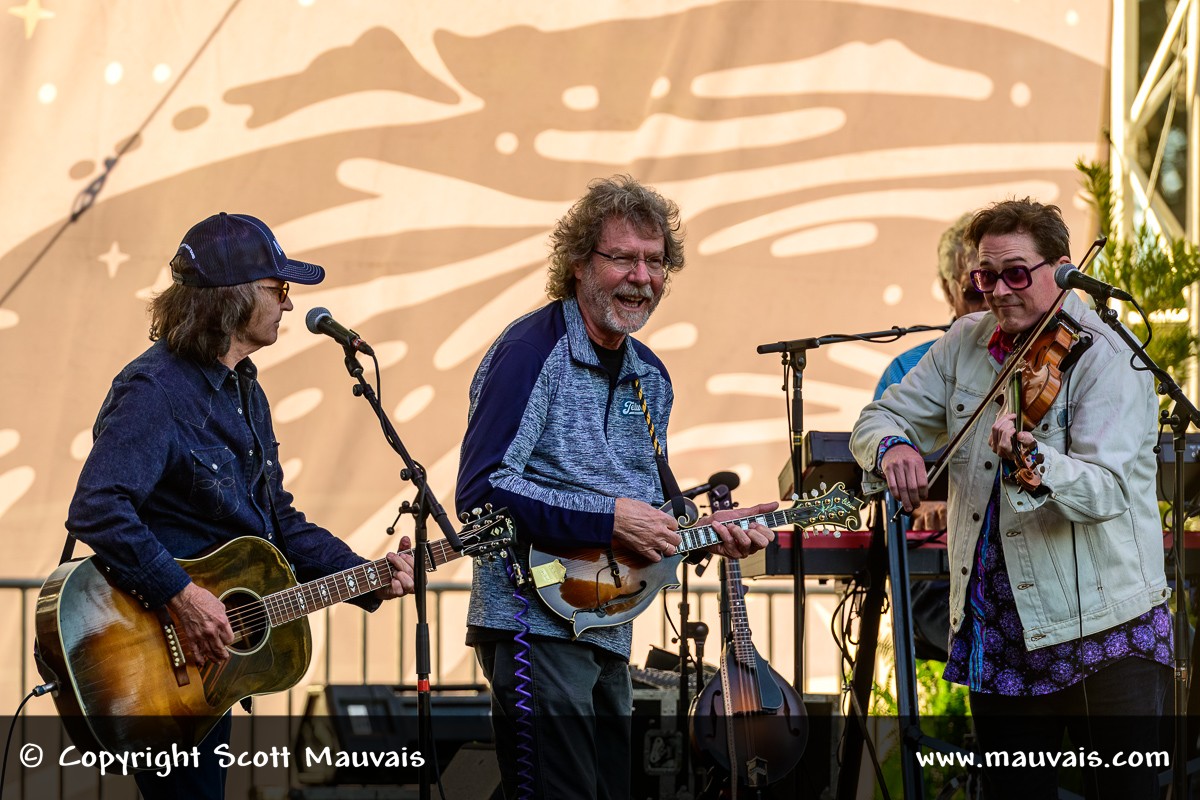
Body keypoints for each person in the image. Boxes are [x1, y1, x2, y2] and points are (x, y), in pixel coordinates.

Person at [65, 212, 417, 800]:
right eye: (278, 289)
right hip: (158, 652)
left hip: (211, 661)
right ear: (234, 299)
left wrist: (368, 577)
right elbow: (98, 506)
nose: (289, 302)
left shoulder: (245, 390)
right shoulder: (156, 392)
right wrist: (183, 596)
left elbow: (277, 521)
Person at [455, 175, 776, 799]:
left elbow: (652, 508)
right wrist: (606, 519)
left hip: (607, 623)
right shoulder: (529, 352)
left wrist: (710, 534)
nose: (641, 276)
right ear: (578, 263)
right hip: (531, 624)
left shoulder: (649, 376)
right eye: (623, 257)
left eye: (655, 262)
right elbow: (482, 492)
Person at [851, 198, 1171, 798]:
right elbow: (879, 415)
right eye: (985, 276)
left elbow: (1108, 489)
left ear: (1064, 269)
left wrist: (1035, 460)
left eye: (1016, 273)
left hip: (1106, 625)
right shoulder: (965, 344)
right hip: (1002, 626)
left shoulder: (1108, 354)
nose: (998, 290)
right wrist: (893, 444)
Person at [874, 214, 987, 662]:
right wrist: (926, 503)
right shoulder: (911, 370)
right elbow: (892, 480)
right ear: (948, 290)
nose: (991, 301)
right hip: (941, 567)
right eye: (975, 290)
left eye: (1007, 281)